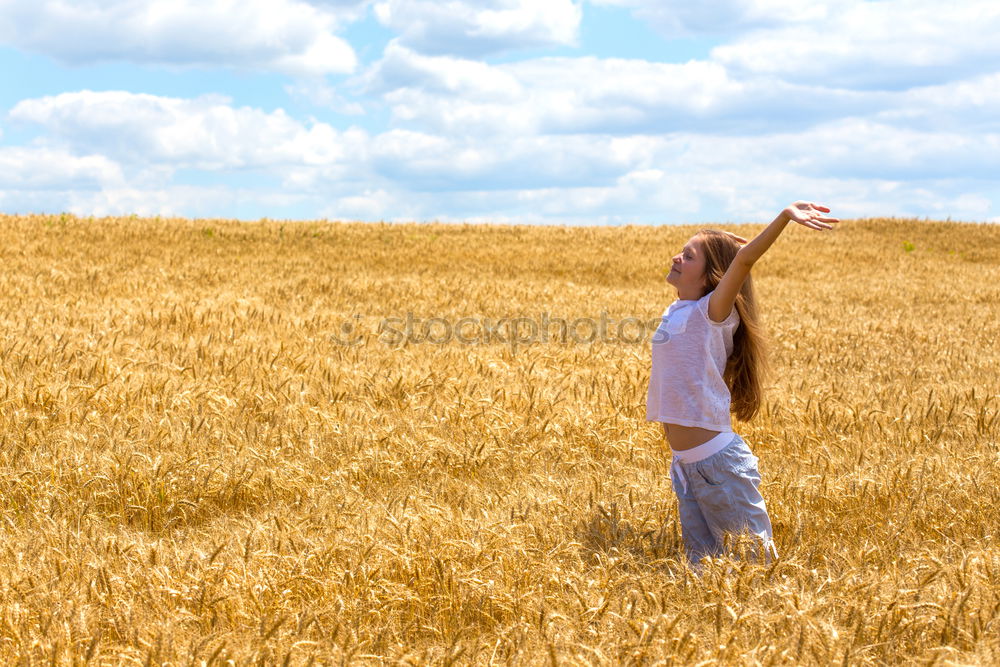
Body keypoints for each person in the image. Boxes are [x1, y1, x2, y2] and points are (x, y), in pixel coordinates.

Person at [646, 201, 839, 569]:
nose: (676, 257)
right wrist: (722, 243)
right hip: (686, 467)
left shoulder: (712, 313)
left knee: (754, 566)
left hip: (718, 465)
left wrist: (783, 218)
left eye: (688, 256)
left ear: (709, 277)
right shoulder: (676, 311)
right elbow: (732, 260)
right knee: (704, 569)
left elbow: (744, 264)